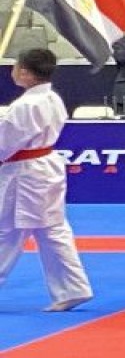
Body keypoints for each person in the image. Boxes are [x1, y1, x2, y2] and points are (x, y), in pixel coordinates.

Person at [0, 48, 93, 312]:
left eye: (16, 66)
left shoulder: (25, 105)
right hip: (45, 167)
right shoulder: (51, 98)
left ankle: (73, 288)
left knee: (7, 231)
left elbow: (5, 144)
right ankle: (73, 288)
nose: (13, 70)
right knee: (52, 229)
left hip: (25, 172)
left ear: (26, 73)